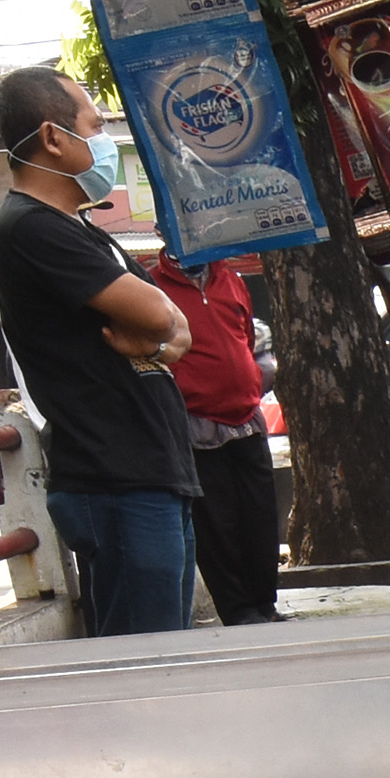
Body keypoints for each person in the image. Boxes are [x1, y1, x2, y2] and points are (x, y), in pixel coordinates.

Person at [0, 65, 198, 637]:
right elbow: (158, 316)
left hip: (150, 471)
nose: (103, 141)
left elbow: (179, 328)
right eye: (94, 125)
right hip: (114, 476)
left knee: (169, 660)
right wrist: (155, 328)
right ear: (54, 137)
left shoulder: (83, 230)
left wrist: (156, 332)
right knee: (141, 675)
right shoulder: (29, 228)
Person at [143, 245, 283, 625]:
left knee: (260, 515)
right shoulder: (150, 287)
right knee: (216, 522)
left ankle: (265, 604)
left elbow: (247, 342)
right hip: (195, 422)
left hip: (245, 416)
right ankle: (237, 610)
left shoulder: (233, 280)